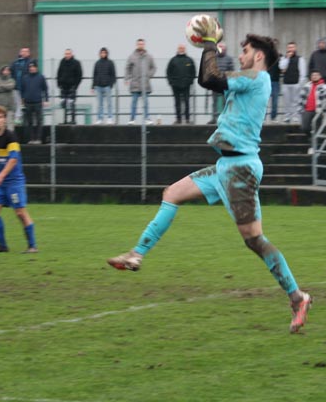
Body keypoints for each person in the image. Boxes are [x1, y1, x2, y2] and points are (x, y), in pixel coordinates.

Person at [107, 30, 313, 334]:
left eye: (245, 51)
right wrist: (208, 47)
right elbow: (212, 78)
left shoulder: (257, 78)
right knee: (172, 193)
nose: (240, 55)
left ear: (258, 56)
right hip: (225, 166)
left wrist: (208, 44)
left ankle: (297, 297)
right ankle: (136, 254)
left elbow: (209, 78)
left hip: (241, 169)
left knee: (254, 240)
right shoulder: (248, 79)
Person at [0, 105, 38, 253]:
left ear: (5, 120)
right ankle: (2, 246)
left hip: (13, 182)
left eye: (0, 117)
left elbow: (13, 159)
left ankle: (32, 246)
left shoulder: (11, 138)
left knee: (20, 213)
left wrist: (0, 176)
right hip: (0, 184)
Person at [126, 38, 156, 125]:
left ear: (144, 45)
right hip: (135, 84)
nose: (141, 45)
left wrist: (148, 75)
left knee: (145, 103)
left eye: (142, 44)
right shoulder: (132, 56)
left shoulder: (149, 56)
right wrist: (127, 78)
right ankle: (132, 119)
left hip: (145, 84)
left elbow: (153, 67)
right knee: (134, 103)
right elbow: (127, 68)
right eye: (139, 44)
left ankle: (147, 119)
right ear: (137, 45)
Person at [299, 71, 326, 154]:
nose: (314, 76)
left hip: (318, 111)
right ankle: (311, 139)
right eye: (313, 75)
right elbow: (301, 98)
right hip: (307, 110)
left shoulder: (324, 87)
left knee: (316, 129)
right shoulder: (306, 86)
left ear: (320, 76)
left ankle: (312, 147)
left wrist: (324, 112)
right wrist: (301, 109)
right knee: (304, 127)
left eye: (316, 75)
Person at [20, 62, 49, 144]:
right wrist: (22, 100)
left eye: (33, 67)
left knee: (39, 121)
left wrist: (46, 100)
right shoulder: (25, 78)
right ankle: (31, 139)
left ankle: (38, 139)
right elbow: (22, 90)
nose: (32, 68)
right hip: (27, 103)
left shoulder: (41, 77)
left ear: (36, 67)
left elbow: (45, 89)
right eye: (30, 67)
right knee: (29, 122)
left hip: (38, 102)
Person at [166, 44, 196, 124]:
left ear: (185, 49)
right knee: (177, 102)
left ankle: (187, 119)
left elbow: (193, 72)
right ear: (178, 49)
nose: (181, 49)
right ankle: (178, 119)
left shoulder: (189, 60)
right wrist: (171, 82)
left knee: (186, 101)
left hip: (186, 85)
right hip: (175, 85)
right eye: (180, 48)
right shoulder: (173, 60)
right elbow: (168, 72)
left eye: (183, 48)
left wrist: (190, 81)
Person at [278, 42, 307, 123]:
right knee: (286, 101)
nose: (291, 49)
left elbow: (303, 72)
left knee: (295, 101)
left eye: (292, 47)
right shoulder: (284, 58)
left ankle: (295, 116)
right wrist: (287, 58)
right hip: (286, 83)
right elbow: (281, 67)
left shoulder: (300, 59)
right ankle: (287, 116)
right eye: (289, 47)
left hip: (296, 83)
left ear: (295, 48)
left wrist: (300, 84)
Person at [209, 43, 235, 123]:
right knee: (214, 102)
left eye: (222, 47)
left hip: (225, 83)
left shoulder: (229, 59)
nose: (221, 49)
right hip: (215, 83)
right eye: (219, 47)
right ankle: (214, 118)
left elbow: (232, 71)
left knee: (225, 101)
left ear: (225, 49)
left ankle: (225, 118)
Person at [55, 48, 83, 124]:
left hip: (72, 87)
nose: (67, 55)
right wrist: (59, 84)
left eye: (68, 53)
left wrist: (75, 86)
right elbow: (58, 73)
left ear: (71, 54)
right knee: (63, 104)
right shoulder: (62, 62)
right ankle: (63, 120)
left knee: (72, 103)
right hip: (63, 87)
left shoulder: (76, 63)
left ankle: (73, 120)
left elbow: (79, 75)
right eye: (66, 54)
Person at [11, 47, 35, 126]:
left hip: (26, 87)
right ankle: (18, 119)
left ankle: (26, 120)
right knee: (18, 104)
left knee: (25, 104)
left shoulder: (31, 62)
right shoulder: (15, 62)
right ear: (20, 52)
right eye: (22, 51)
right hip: (16, 87)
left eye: (26, 51)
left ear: (29, 53)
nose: (24, 53)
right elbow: (11, 72)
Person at [92, 47, 117, 124]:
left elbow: (113, 75)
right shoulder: (97, 63)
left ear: (106, 54)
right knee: (100, 104)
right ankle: (100, 118)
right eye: (102, 53)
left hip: (107, 86)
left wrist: (111, 84)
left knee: (109, 103)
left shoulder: (110, 63)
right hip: (98, 86)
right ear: (100, 54)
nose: (103, 54)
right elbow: (94, 75)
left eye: (104, 53)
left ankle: (110, 118)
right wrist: (93, 86)